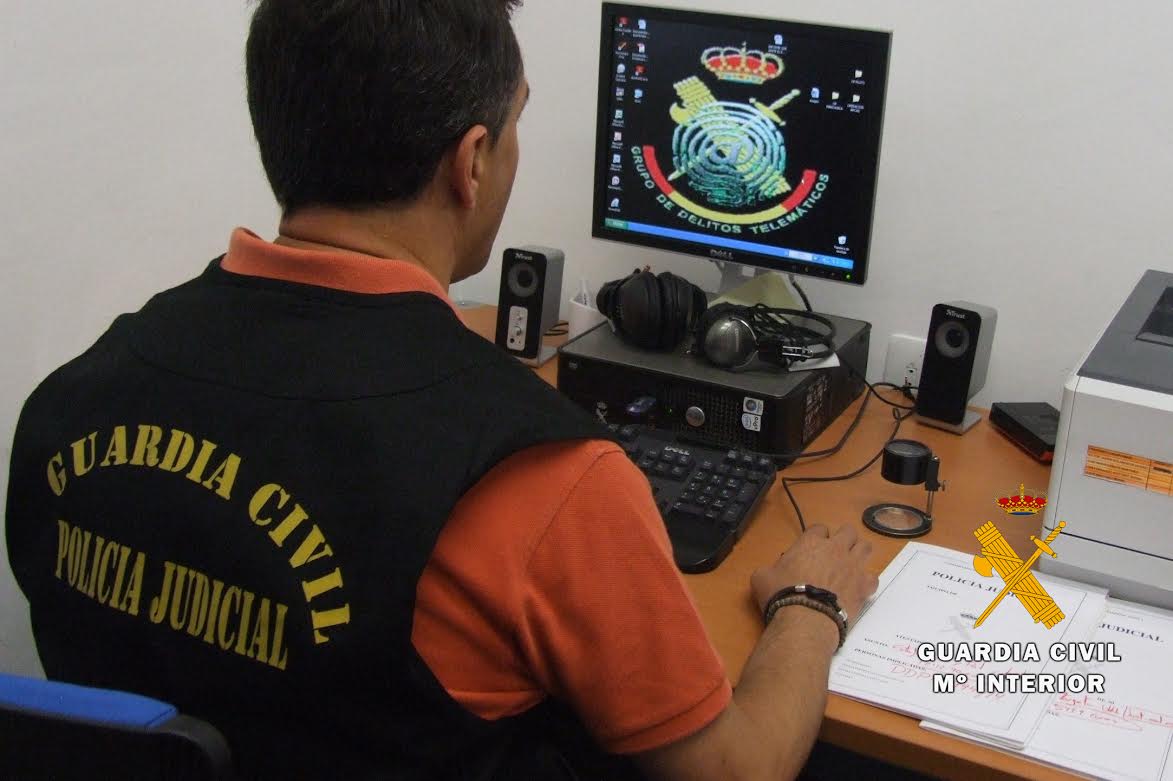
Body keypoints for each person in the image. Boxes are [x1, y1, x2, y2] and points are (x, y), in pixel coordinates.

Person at [5, 1, 878, 779]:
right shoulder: (547, 475)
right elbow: (735, 767)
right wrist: (809, 604)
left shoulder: (70, 398)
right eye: (512, 127)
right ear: (471, 163)